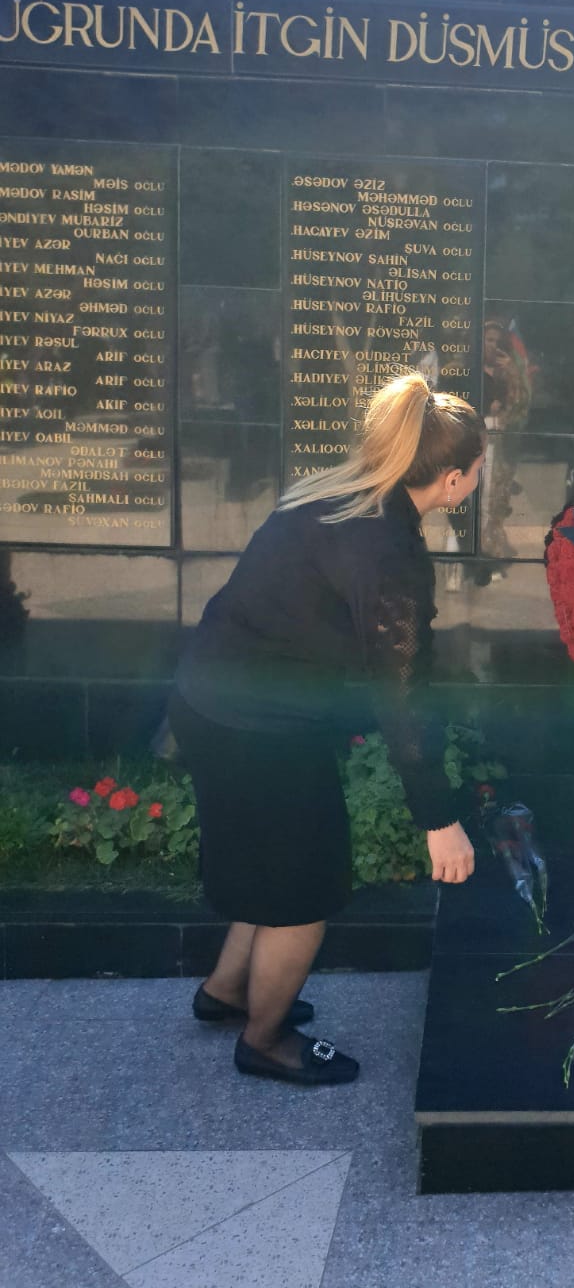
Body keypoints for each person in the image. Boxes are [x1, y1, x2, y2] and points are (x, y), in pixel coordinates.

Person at [169, 372, 483, 1086]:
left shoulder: (336, 495)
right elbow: (402, 695)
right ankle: (266, 1039)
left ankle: (226, 993)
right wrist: (439, 819)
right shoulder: (387, 551)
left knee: (268, 865)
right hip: (259, 727)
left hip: (210, 700)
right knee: (305, 890)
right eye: (476, 471)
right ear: (454, 480)